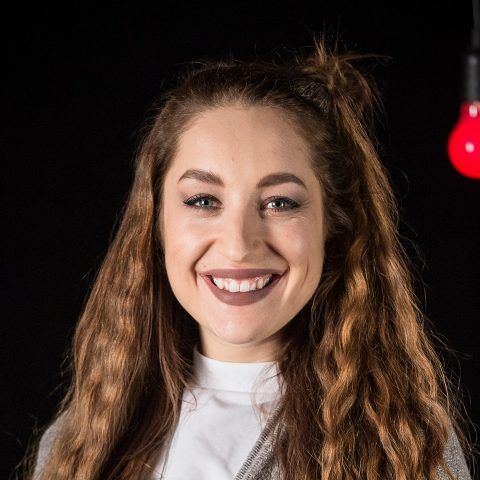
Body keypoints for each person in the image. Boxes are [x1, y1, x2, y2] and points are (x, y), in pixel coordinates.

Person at [23, 33, 473, 479]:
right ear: (155, 223)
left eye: (279, 203)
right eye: (203, 201)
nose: (238, 245)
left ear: (333, 227)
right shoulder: (80, 443)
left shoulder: (404, 448)